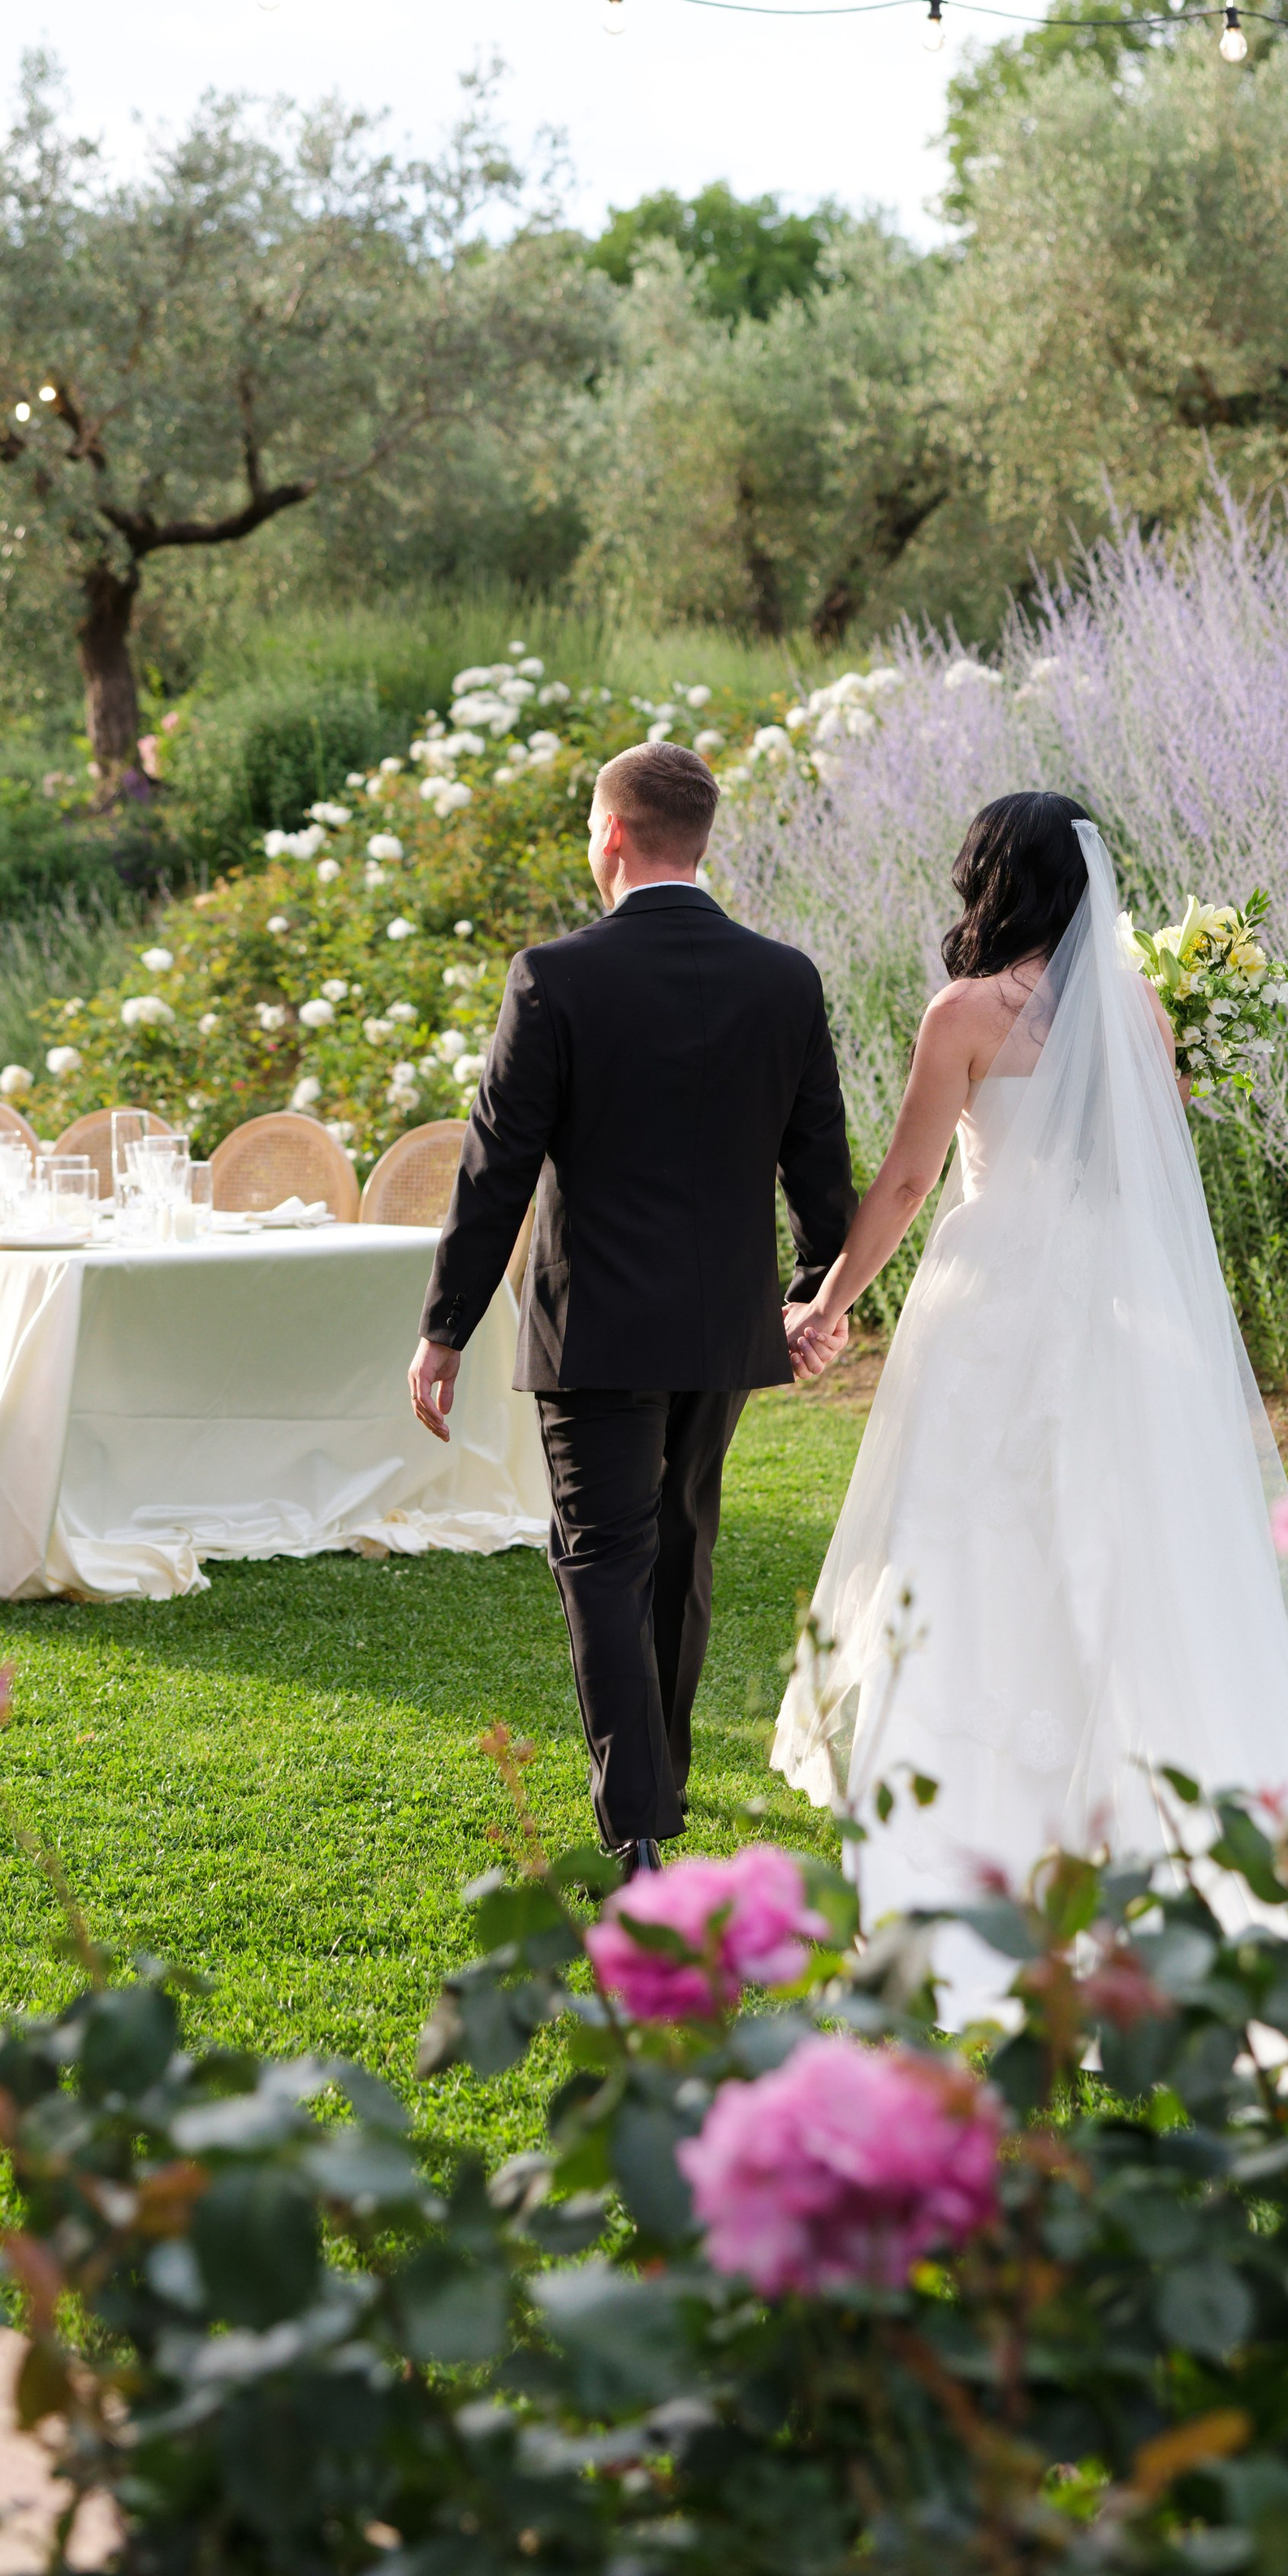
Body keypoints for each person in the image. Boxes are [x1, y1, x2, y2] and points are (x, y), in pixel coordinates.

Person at [772, 792, 1288, 1981]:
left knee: (960, 1538)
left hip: (993, 1298)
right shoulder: (1138, 1011)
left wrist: (827, 1303)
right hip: (1105, 1307)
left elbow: (906, 1183)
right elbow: (1137, 1176)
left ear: (989, 882)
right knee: (1104, 1536)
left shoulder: (964, 1012)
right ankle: (1115, 1804)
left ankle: (966, 1813)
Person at [409, 741, 856, 1876]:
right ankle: (660, 1789)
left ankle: (641, 1826)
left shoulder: (554, 978)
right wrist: (818, 1290)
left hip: (596, 1326)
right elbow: (819, 1166)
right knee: (682, 1546)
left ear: (612, 839)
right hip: (720, 1329)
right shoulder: (785, 978)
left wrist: (445, 1328)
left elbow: (495, 1168)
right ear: (700, 842)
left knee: (606, 1558)